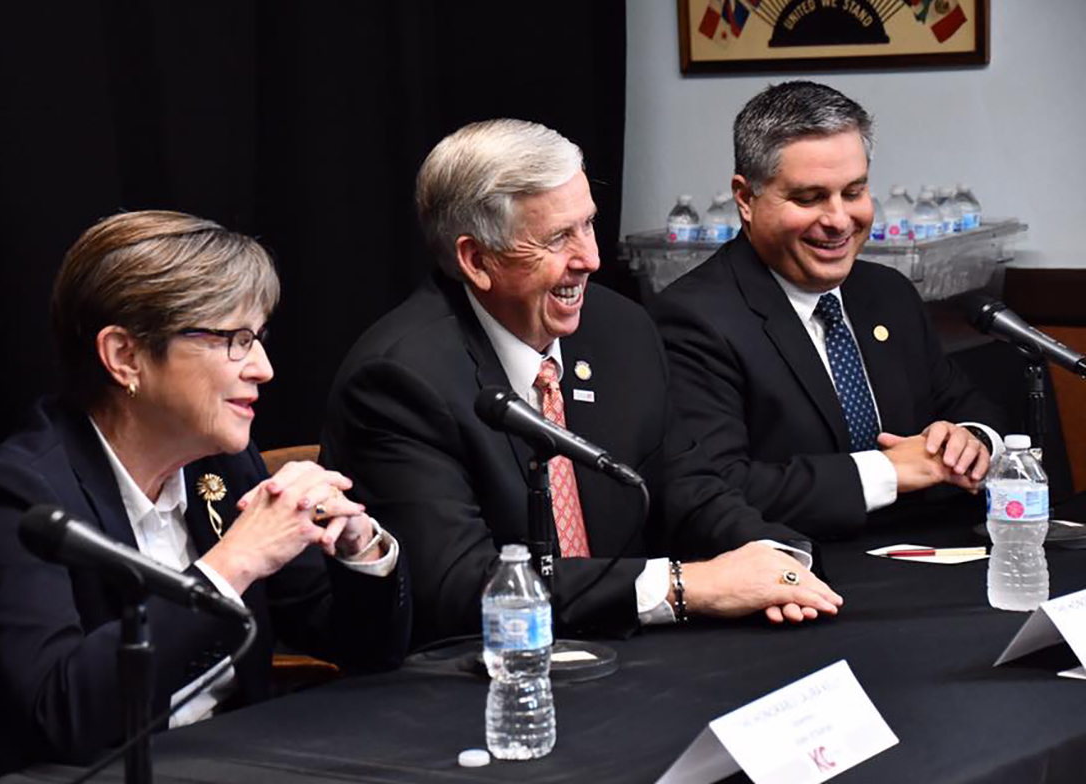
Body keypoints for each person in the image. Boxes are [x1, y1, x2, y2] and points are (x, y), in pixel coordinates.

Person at [0, 211, 411, 784]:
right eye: (234, 340)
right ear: (125, 356)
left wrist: (360, 548)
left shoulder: (222, 465)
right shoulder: (12, 499)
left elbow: (361, 650)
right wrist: (234, 563)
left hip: (228, 760)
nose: (264, 368)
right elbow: (63, 714)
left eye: (259, 338)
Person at [320, 119, 842, 648]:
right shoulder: (399, 380)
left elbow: (686, 487)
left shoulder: (621, 329)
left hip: (628, 656)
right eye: (557, 239)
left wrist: (777, 560)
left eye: (587, 225)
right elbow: (455, 587)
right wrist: (685, 586)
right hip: (484, 679)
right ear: (477, 260)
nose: (590, 259)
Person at [653, 81, 1005, 546]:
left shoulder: (888, 293)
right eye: (809, 198)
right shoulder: (693, 318)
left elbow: (971, 410)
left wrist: (970, 440)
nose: (839, 219)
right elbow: (717, 490)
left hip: (928, 556)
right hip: (800, 573)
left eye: (854, 191)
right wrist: (888, 472)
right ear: (745, 199)